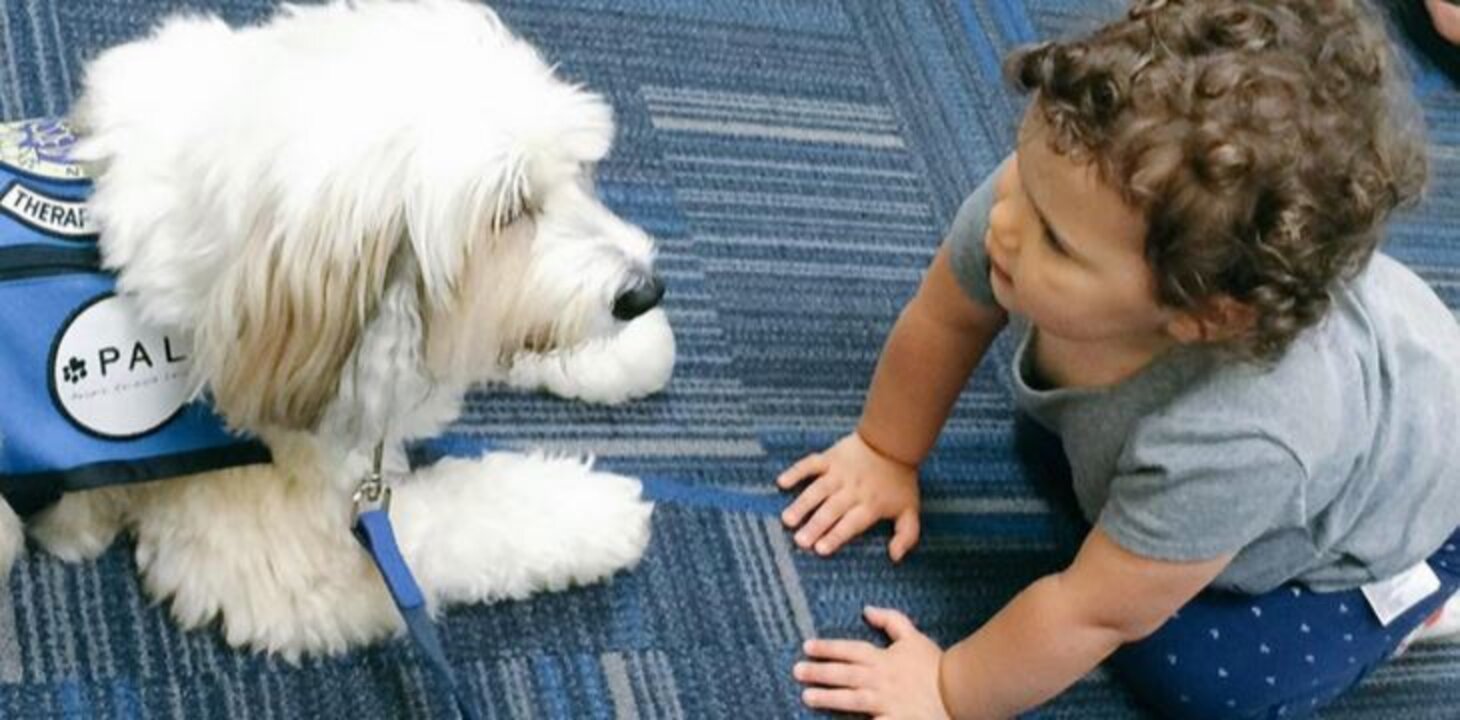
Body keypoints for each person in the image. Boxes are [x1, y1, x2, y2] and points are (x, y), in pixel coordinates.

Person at [776, 1, 1460, 717]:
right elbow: (947, 315)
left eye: (1057, 244)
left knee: (1194, 676)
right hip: (1357, 373)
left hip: (1391, 512)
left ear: (1203, 315)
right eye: (1022, 179)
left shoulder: (1241, 437)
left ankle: (1419, 601)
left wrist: (948, 692)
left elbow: (1091, 615)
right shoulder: (1055, 193)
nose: (1004, 223)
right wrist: (886, 451)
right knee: (1052, 455)